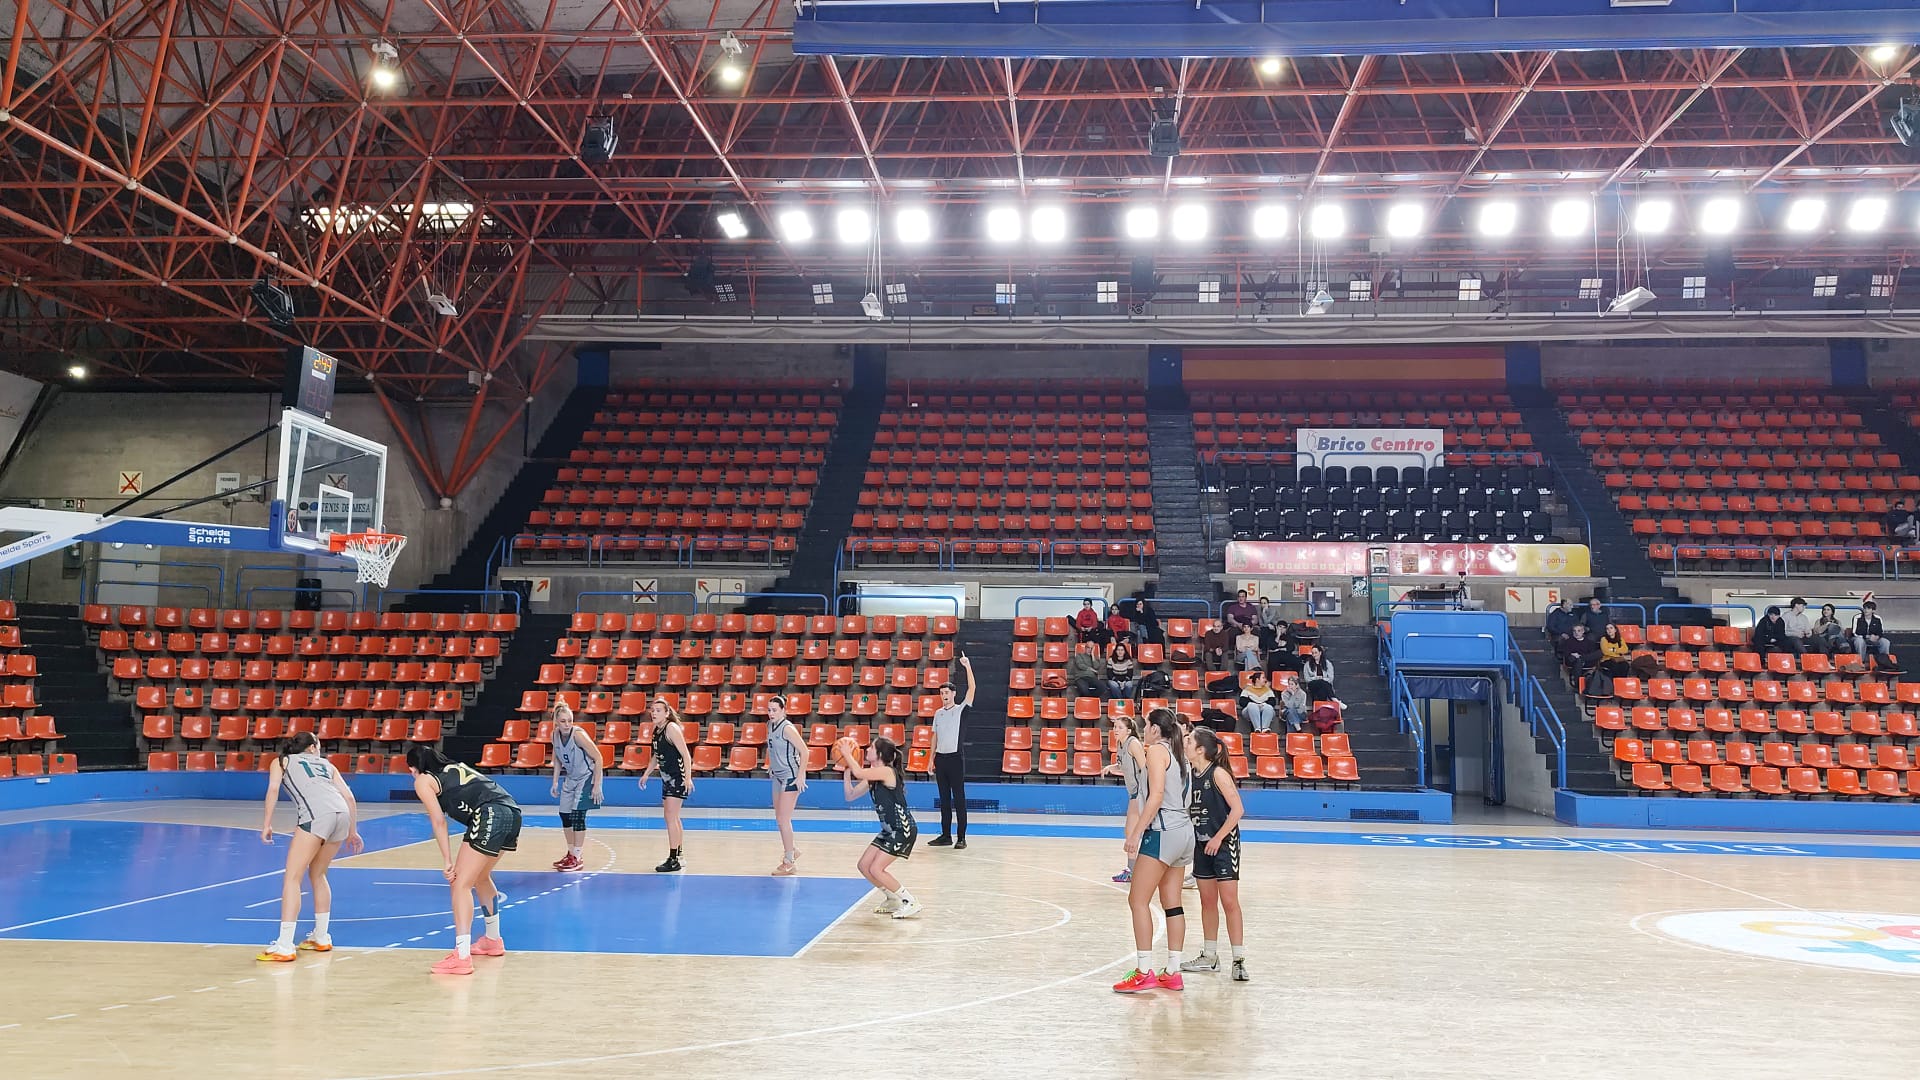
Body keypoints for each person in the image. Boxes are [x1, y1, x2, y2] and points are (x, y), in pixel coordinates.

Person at [406, 745, 520, 976]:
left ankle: (462, 955)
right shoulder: (454, 767)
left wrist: (447, 860)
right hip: (512, 811)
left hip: (490, 813)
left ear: (413, 768)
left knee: (459, 883)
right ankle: (492, 940)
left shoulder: (423, 780)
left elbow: (438, 821)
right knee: (480, 877)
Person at [256, 731, 362, 962]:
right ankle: (321, 937)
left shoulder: (281, 761)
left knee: (292, 878)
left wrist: (267, 824)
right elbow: (349, 797)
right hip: (342, 814)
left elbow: (273, 789)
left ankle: (285, 945)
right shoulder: (327, 765)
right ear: (312, 747)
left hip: (317, 816)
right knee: (318, 874)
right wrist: (353, 831)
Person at [1113, 709, 1194, 994]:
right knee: (1172, 903)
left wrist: (1136, 832)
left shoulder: (1158, 751)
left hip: (1163, 830)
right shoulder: (1180, 753)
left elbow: (1157, 795)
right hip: (1184, 831)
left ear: (1156, 729)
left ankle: (1144, 971)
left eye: (1146, 724)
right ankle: (1173, 971)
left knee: (1137, 900)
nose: (1144, 728)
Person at [1179, 728, 1248, 983]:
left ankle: (1239, 960)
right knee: (1207, 902)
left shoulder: (1218, 773)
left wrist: (1218, 837)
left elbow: (1238, 809)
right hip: (1201, 845)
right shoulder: (1190, 775)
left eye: (1189, 741)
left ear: (1200, 749)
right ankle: (1210, 956)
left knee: (1229, 902)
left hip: (1224, 844)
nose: (1185, 743)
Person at [840, 734, 920, 919]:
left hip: (902, 830)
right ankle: (892, 898)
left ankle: (910, 901)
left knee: (876, 868)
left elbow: (859, 772)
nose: (867, 750)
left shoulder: (886, 771)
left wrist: (847, 753)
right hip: (889, 830)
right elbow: (850, 796)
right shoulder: (873, 776)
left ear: (880, 754)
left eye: (871, 748)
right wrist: (846, 774)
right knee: (864, 865)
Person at [638, 697, 693, 872]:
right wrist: (647, 773)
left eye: (658, 710)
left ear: (667, 713)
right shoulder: (657, 730)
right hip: (667, 778)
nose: (654, 713)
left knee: (670, 817)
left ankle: (673, 858)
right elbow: (656, 755)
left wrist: (688, 778)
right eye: (653, 710)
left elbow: (685, 755)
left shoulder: (671, 728)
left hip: (677, 777)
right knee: (673, 817)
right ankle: (679, 856)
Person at [547, 702, 603, 872]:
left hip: (586, 777)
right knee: (565, 815)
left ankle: (577, 857)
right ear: (556, 722)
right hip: (570, 778)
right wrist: (555, 781)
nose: (567, 724)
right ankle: (571, 853)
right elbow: (557, 758)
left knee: (578, 816)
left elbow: (598, 758)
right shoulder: (554, 735)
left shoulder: (578, 735)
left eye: (570, 721)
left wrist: (597, 785)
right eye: (563, 721)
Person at [929, 653, 975, 849]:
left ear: (953, 694)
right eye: (941, 693)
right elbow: (934, 736)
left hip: (955, 759)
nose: (944, 695)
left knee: (959, 799)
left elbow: (972, 689)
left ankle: (961, 837)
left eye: (947, 692)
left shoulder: (960, 710)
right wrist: (931, 759)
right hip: (941, 759)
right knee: (944, 799)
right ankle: (945, 835)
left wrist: (967, 666)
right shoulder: (938, 713)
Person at [1103, 714, 1149, 883]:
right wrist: (1111, 767)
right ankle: (1134, 869)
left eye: (1120, 727)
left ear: (1129, 731)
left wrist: (1144, 793)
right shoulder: (1120, 744)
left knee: (1131, 831)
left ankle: (1133, 870)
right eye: (1115, 727)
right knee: (1132, 832)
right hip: (1134, 792)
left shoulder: (1133, 743)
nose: (1116, 730)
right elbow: (1124, 766)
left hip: (1140, 792)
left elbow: (1145, 767)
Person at [766, 695, 808, 876]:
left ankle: (789, 861)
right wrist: (771, 766)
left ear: (783, 711)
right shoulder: (769, 725)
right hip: (777, 776)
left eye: (775, 710)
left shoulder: (788, 728)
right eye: (769, 710)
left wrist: (801, 775)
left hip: (791, 776)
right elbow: (773, 749)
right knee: (779, 818)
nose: (771, 713)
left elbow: (805, 751)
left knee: (784, 819)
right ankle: (792, 849)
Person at [1853, 600, 1894, 665]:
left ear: (1873, 610)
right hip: (1861, 638)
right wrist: (1867, 636)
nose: (1866, 610)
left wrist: (1877, 637)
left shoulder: (1878, 618)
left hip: (1873, 639)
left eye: (1868, 608)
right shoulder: (1857, 617)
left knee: (1885, 642)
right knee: (1859, 641)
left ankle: (1884, 662)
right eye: (1864, 608)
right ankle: (1861, 662)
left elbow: (1881, 631)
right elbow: (1854, 633)